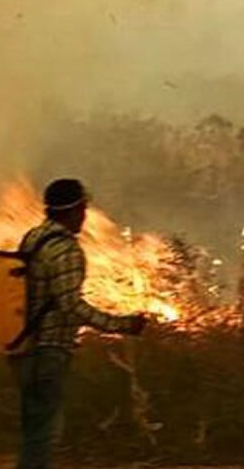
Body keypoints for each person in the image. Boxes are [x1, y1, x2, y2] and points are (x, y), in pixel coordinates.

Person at [10, 178, 148, 469]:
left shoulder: (32, 238)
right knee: (45, 431)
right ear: (73, 211)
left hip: (22, 345)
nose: (85, 216)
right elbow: (70, 307)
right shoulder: (66, 250)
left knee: (32, 428)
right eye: (83, 209)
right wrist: (121, 324)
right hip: (49, 349)